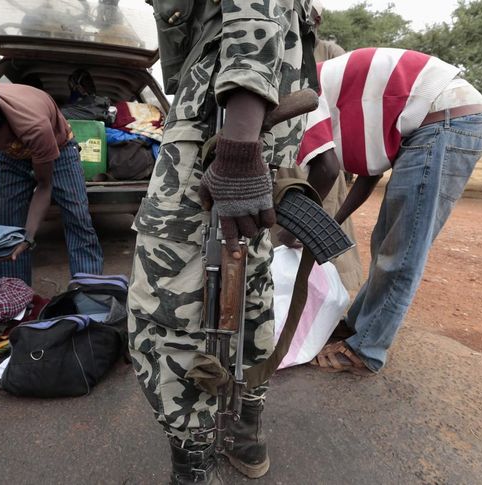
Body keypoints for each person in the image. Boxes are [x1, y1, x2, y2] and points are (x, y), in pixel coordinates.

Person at [128, 1, 317, 483]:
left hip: (217, 137)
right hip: (257, 137)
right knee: (250, 291)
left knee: (168, 311)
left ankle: (194, 463)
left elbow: (252, 16)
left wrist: (237, 146)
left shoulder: (233, 137)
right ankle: (244, 434)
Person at [293, 47, 482, 375]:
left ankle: (365, 350)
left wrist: (296, 233)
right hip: (441, 117)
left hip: (444, 118)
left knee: (402, 247)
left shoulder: (303, 90)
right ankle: (360, 326)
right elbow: (370, 173)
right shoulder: (340, 101)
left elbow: (326, 170)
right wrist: (331, 222)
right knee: (387, 242)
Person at [0, 65, 103, 286]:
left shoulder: (32, 123)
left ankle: (89, 292)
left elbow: (44, 185)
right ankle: (14, 301)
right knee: (4, 231)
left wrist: (29, 236)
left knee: (77, 217)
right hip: (11, 154)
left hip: (59, 150)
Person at [276, 0, 365, 294]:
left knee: (322, 221)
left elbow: (346, 102)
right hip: (289, 154)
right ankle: (286, 297)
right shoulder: (276, 46)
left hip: (323, 149)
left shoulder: (330, 53)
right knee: (286, 223)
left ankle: (334, 298)